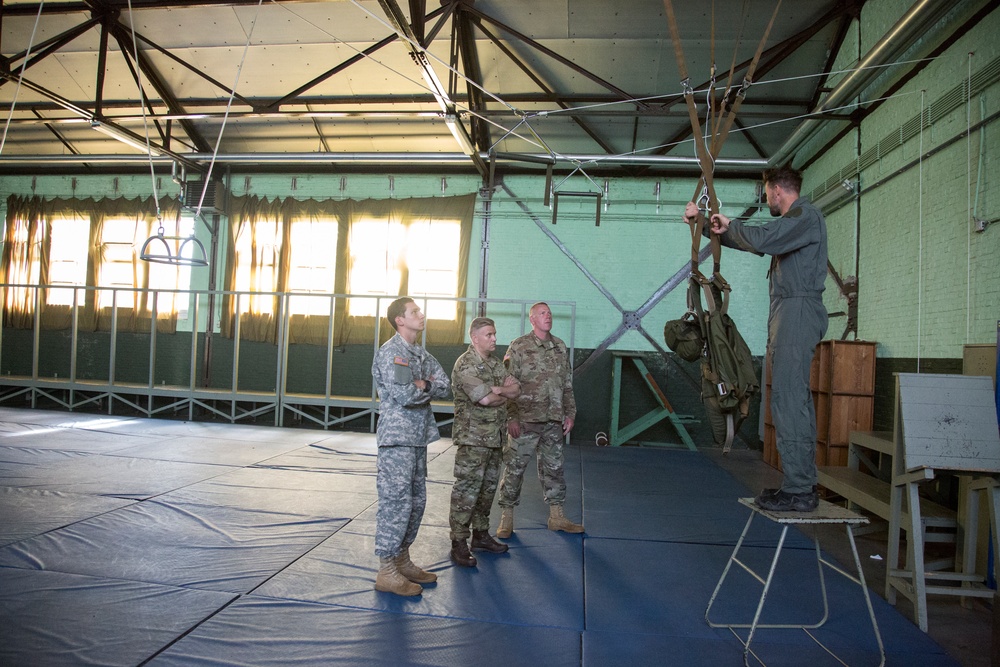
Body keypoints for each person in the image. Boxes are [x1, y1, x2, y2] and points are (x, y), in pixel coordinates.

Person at [686, 165, 828, 512]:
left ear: (777, 189)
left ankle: (799, 489)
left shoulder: (804, 217)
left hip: (796, 311)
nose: (767, 200)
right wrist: (705, 226)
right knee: (789, 398)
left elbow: (765, 238)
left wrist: (728, 224)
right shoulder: (795, 222)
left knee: (789, 398)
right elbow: (759, 241)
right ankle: (800, 484)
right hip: (787, 311)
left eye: (767, 193)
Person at [371, 297, 451, 595]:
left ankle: (402, 559)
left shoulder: (419, 353)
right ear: (399, 320)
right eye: (414, 312)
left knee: (417, 502)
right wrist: (421, 386)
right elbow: (405, 395)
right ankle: (387, 570)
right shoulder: (392, 352)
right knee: (396, 502)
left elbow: (444, 384)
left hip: (417, 438)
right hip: (397, 439)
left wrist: (425, 385)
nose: (421, 314)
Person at [496, 302, 584, 536]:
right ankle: (506, 518)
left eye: (550, 313)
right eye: (543, 313)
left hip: (553, 420)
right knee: (515, 469)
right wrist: (511, 417)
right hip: (525, 420)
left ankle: (557, 517)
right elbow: (508, 384)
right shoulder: (519, 346)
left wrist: (570, 413)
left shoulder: (560, 347)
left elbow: (566, 384)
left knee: (554, 469)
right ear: (532, 319)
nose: (548, 316)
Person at [448, 317, 521, 567]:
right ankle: (458, 541)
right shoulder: (466, 364)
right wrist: (500, 391)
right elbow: (485, 400)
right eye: (489, 335)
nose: (494, 339)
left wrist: (497, 390)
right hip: (473, 440)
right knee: (467, 491)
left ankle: (480, 535)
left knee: (487, 490)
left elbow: (516, 390)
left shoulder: (494, 363)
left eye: (495, 334)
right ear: (475, 338)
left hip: (494, 438)